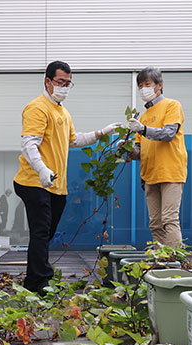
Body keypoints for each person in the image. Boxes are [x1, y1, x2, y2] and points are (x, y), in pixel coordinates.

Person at [13, 60, 122, 293]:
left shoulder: (62, 111)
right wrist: (42, 169)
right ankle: (41, 282)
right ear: (48, 81)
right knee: (41, 232)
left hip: (56, 185)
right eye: (60, 82)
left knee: (46, 234)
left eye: (68, 83)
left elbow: (74, 140)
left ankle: (33, 280)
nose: (64, 87)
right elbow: (29, 143)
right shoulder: (37, 108)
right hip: (33, 181)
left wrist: (102, 132)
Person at [126, 67, 188, 247]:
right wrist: (128, 148)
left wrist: (143, 130)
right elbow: (139, 151)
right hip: (149, 174)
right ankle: (161, 262)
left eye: (148, 84)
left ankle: (176, 262)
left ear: (159, 85)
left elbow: (169, 133)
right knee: (155, 223)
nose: (143, 89)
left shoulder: (172, 105)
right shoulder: (143, 116)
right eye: (140, 86)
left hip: (170, 171)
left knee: (169, 219)